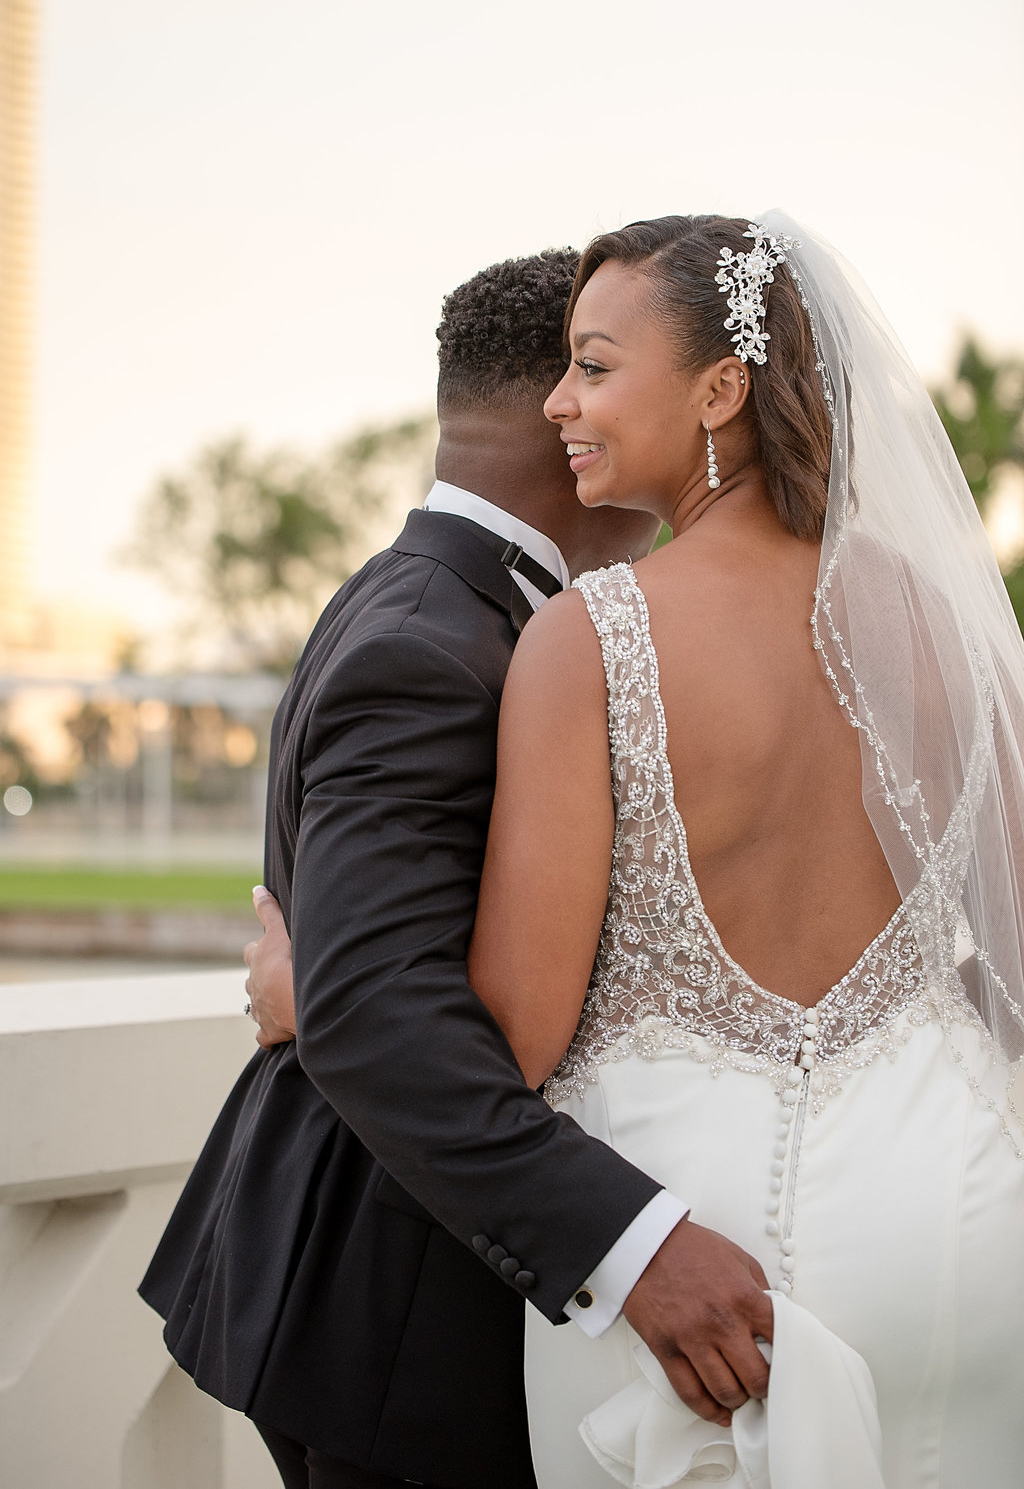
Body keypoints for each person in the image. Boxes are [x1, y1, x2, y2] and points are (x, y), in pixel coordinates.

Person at [140, 250, 774, 1489]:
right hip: (392, 1319)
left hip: (394, 1273)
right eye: (591, 366)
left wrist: (314, 982)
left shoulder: (420, 594)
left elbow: (366, 969)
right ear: (564, 404)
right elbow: (380, 1013)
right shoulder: (439, 645)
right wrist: (633, 1249)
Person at [468, 213, 1024, 1486]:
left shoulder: (589, 638)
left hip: (695, 1269)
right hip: (956, 1221)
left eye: (595, 365)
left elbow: (517, 1034)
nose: (559, 400)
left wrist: (312, 979)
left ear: (722, 387)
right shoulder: (943, 626)